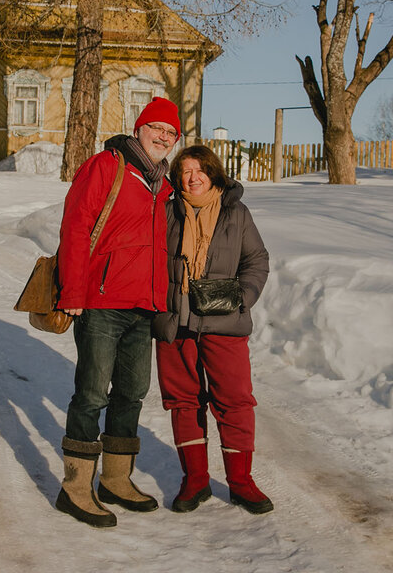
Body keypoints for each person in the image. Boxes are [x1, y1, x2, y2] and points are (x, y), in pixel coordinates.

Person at [54, 96, 181, 528]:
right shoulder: (107, 166)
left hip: (143, 306)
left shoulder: (163, 185)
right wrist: (72, 290)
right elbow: (75, 226)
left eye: (171, 133)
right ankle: (74, 488)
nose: (164, 136)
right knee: (91, 394)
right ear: (140, 128)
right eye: (157, 128)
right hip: (101, 301)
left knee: (131, 393)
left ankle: (115, 479)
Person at [153, 144, 272, 514]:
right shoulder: (166, 212)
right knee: (183, 401)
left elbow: (257, 260)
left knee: (234, 401)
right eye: (185, 171)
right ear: (177, 177)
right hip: (176, 321)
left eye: (200, 170)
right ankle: (195, 480)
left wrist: (241, 298)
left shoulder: (236, 213)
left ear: (213, 172)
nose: (193, 177)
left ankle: (241, 482)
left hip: (225, 322)